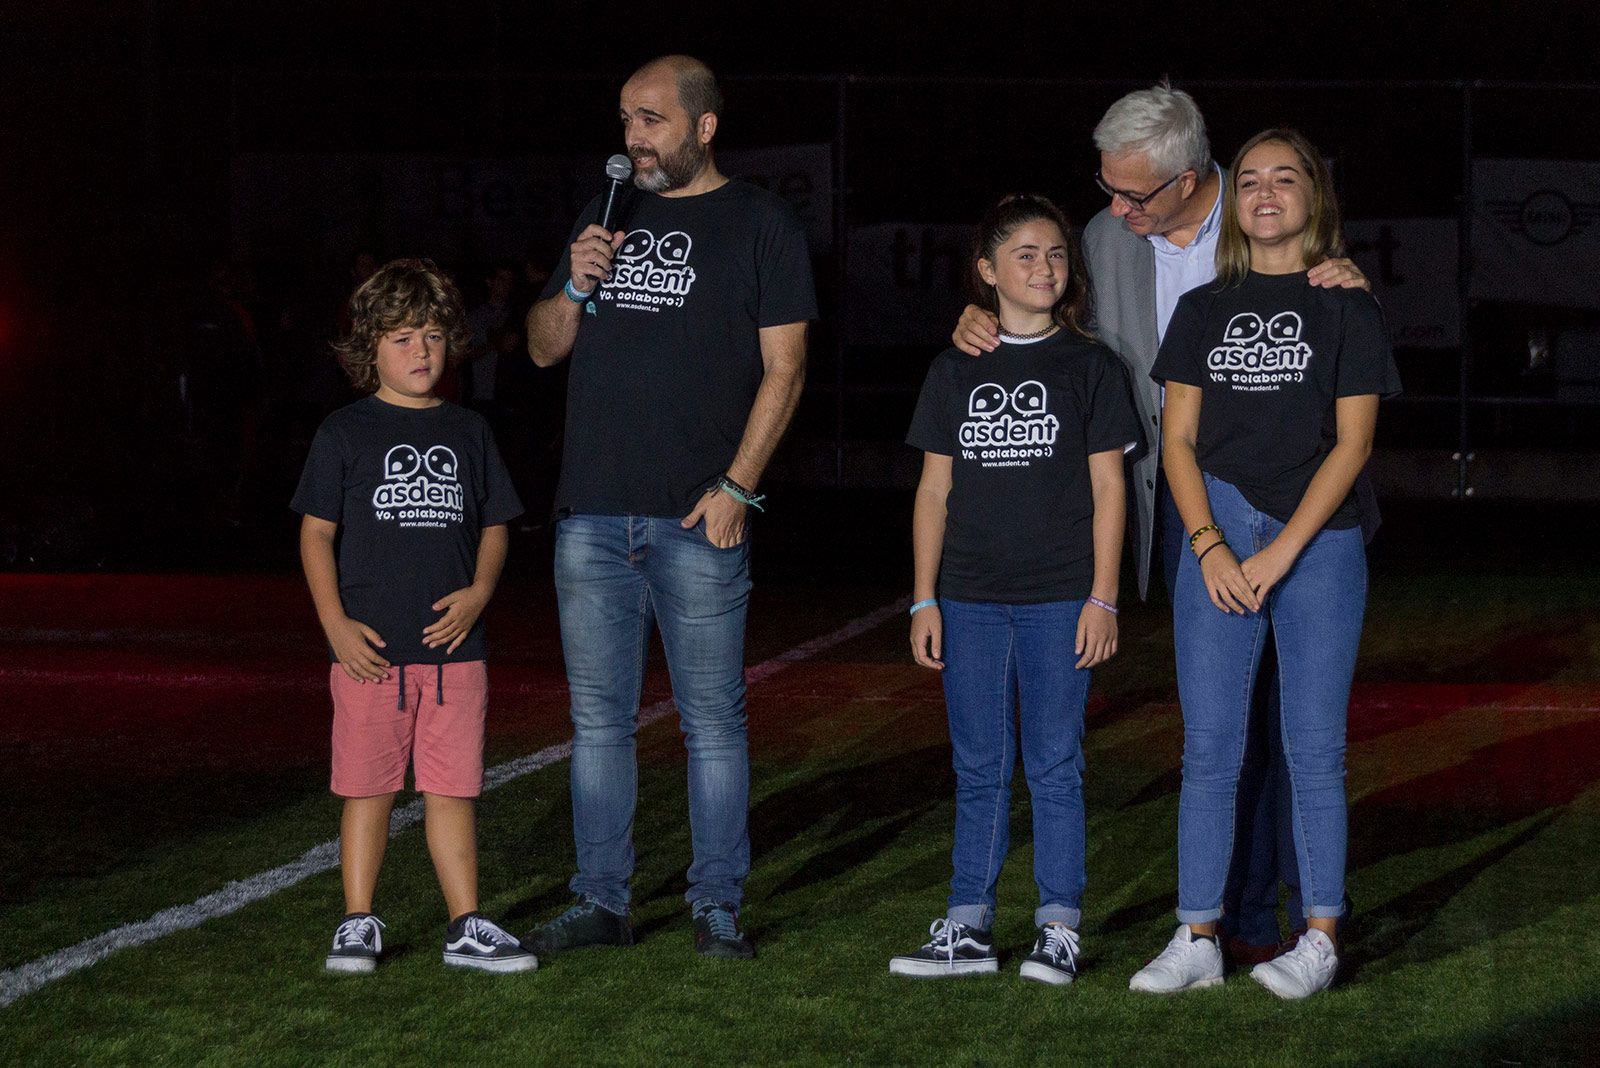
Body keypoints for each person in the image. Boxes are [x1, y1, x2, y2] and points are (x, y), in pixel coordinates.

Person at [951, 83, 1372, 962]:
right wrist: (982, 316)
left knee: (1290, 729)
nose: (1115, 208)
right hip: (1177, 500)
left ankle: (1290, 918)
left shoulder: (1265, 224)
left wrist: (1346, 273)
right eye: (1108, 188)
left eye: (1134, 193)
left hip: (1287, 504)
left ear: (1190, 178)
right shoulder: (1107, 240)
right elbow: (1050, 317)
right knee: (1218, 729)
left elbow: (1331, 330)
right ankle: (1220, 920)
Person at [521, 55, 815, 960]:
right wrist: (574, 282)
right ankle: (602, 901)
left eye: (650, 121)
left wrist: (736, 489)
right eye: (625, 121)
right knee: (599, 723)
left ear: (703, 126)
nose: (632, 140)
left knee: (712, 723)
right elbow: (539, 349)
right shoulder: (608, 216)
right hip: (593, 517)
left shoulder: (762, 221)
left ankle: (715, 905)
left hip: (698, 521)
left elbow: (786, 367)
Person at [1128, 129, 1401, 999]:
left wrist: (1281, 551)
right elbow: (1176, 441)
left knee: (1313, 748)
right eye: (1250, 180)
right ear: (1234, 200)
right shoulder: (1204, 309)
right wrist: (1210, 545)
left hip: (1316, 542)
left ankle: (1320, 938)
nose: (1267, 191)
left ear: (1314, 197)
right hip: (1221, 532)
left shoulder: (1348, 306)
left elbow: (1354, 444)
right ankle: (1198, 935)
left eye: (1287, 178)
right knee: (1210, 748)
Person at [891, 195, 1140, 985]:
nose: (1044, 267)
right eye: (1026, 255)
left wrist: (1103, 598)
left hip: (1060, 598)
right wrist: (924, 598)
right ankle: (968, 924)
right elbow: (933, 491)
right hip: (967, 598)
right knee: (978, 763)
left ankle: (1058, 924)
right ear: (988, 271)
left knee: (1056, 763)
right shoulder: (953, 366)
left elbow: (1111, 490)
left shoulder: (1093, 366)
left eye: (1056, 254)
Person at [292, 258, 535, 975]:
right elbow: (314, 533)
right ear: (369, 349)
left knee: (452, 791)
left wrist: (480, 591)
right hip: (369, 652)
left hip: (456, 655)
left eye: (431, 335)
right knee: (368, 790)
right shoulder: (344, 431)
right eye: (401, 338)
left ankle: (465, 925)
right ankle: (358, 922)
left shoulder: (469, 430)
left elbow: (496, 523)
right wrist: (335, 625)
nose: (420, 351)